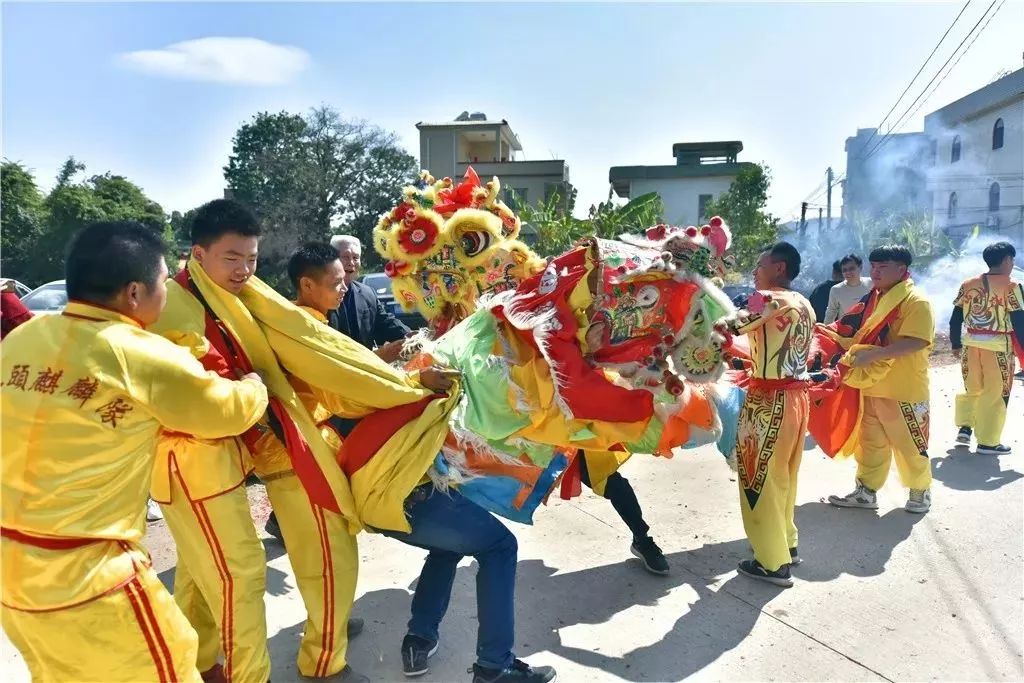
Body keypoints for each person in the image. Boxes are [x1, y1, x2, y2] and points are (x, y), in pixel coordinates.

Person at [1, 221, 268, 681]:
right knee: (171, 662)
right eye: (164, 281)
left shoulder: (23, 339)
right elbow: (225, 411)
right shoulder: (139, 352)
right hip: (91, 575)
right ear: (133, 293)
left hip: (12, 571)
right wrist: (255, 385)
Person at [150, 201, 366, 682]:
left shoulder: (243, 294)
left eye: (251, 258)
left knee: (203, 575)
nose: (244, 269)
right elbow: (201, 398)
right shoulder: (172, 308)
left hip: (243, 447)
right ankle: (306, 665)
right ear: (198, 253)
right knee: (240, 577)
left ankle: (199, 662)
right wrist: (254, 391)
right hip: (207, 454)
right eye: (232, 258)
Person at [728, 242, 815, 587]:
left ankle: (771, 562)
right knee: (783, 475)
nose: (754, 271)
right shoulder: (804, 302)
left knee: (758, 476)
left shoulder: (767, 300)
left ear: (779, 268)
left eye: (759, 264)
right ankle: (787, 545)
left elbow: (729, 326)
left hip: (770, 399)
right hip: (795, 397)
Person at [828, 245, 934, 514]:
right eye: (873, 266)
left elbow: (917, 341)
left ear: (902, 270)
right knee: (870, 442)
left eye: (882, 267)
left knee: (911, 442)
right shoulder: (872, 298)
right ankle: (866, 491)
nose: (874, 272)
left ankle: (920, 491)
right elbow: (853, 329)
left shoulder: (916, 300)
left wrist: (875, 356)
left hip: (904, 386)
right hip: (870, 384)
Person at [950, 241, 1024, 455]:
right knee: (995, 393)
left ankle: (965, 428)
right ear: (1008, 260)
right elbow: (1019, 321)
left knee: (972, 388)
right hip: (998, 347)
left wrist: (955, 343)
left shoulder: (968, 284)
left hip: (970, 344)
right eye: (1012, 259)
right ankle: (988, 443)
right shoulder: (1012, 286)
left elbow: (955, 317)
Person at [329, 234, 409, 362]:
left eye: (355, 258)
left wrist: (411, 337)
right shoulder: (320, 293)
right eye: (345, 257)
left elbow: (385, 322)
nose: (351, 263)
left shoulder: (367, 293)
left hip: (366, 373)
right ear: (332, 258)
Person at [824, 253, 872, 323]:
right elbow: (831, 313)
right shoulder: (836, 290)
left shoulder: (871, 283)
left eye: (851, 268)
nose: (848, 272)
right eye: (844, 270)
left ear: (860, 267)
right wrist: (825, 331)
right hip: (845, 331)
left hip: (868, 329)